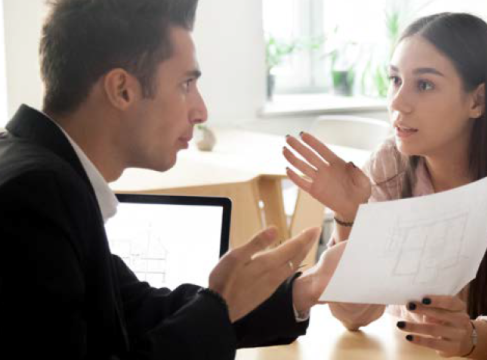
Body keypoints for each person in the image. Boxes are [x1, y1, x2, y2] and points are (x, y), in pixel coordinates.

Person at [0, 0, 343, 359]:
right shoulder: (34, 196)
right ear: (122, 90)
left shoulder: (40, 171)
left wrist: (302, 290)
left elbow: (135, 310)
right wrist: (218, 305)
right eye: (186, 84)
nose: (201, 110)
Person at [283, 12, 487, 360]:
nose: (398, 102)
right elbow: (353, 317)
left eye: (424, 85)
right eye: (395, 80)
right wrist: (350, 218)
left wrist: (475, 336)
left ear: (478, 101)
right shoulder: (390, 164)